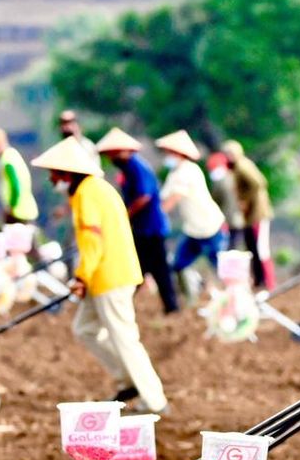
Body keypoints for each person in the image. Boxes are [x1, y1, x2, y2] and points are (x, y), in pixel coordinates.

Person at [30, 137, 168, 413]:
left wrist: (80, 277)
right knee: (85, 329)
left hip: (109, 276)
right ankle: (126, 380)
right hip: (104, 275)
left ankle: (154, 400)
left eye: (53, 173)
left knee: (125, 337)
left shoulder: (87, 194)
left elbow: (94, 243)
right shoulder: (94, 189)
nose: (51, 179)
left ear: (67, 172)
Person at [94, 127, 178, 314]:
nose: (110, 158)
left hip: (151, 227)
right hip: (143, 228)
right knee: (148, 267)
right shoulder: (128, 170)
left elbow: (143, 197)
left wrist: (125, 215)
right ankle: (167, 306)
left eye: (112, 154)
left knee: (148, 267)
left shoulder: (137, 167)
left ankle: (166, 306)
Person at [155, 130, 227, 280]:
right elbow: (163, 197)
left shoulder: (187, 171)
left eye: (169, 152)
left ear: (178, 153)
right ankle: (191, 294)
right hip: (193, 229)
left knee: (221, 269)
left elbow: (173, 198)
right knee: (179, 264)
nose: (166, 155)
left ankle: (233, 297)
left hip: (210, 227)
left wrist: (155, 218)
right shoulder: (175, 172)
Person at [222, 140, 276, 291]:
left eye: (230, 154)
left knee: (261, 248)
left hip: (258, 214)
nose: (228, 157)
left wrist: (244, 199)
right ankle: (258, 280)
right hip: (251, 216)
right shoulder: (238, 167)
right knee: (252, 247)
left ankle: (267, 282)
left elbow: (259, 183)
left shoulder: (242, 166)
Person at [0, 128, 38, 224]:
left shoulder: (7, 160)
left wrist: (11, 206)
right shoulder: (12, 154)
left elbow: (15, 185)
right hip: (23, 210)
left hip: (18, 213)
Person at [207, 152, 245, 250]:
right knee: (232, 248)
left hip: (230, 221)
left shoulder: (221, 182)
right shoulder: (231, 177)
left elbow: (216, 201)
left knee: (229, 250)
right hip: (236, 220)